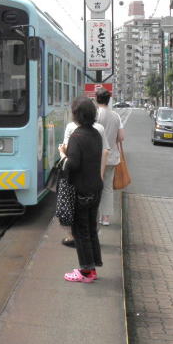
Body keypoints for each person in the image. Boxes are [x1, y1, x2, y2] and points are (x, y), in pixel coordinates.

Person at [58, 96, 107, 283]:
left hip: (82, 191)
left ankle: (86, 272)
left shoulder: (77, 136)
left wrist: (62, 153)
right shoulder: (95, 133)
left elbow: (72, 164)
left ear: (77, 115)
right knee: (91, 229)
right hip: (95, 187)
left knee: (80, 232)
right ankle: (93, 266)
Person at [95, 88, 125, 226]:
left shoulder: (94, 115)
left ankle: (94, 215)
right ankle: (105, 218)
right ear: (109, 100)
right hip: (111, 157)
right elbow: (121, 137)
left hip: (95, 157)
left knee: (94, 187)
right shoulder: (116, 116)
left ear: (96, 99)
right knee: (107, 188)